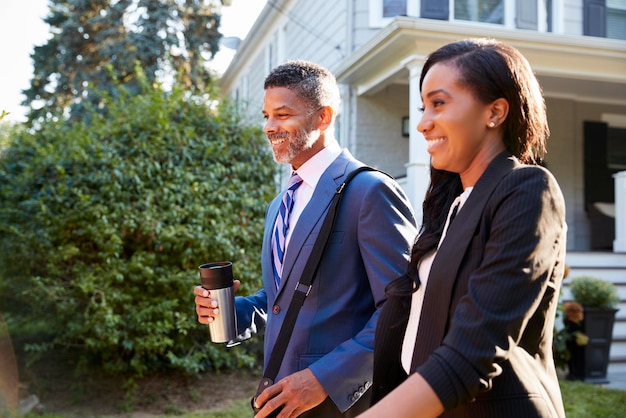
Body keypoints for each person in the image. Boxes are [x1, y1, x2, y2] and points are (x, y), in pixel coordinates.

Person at [194, 60, 417, 417]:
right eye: (266, 116)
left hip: (341, 405)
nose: (269, 127)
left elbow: (401, 310)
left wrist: (323, 380)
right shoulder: (280, 204)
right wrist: (230, 311)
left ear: (323, 117)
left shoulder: (370, 191)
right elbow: (281, 300)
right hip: (280, 399)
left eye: (282, 115)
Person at [359, 38, 567, 418]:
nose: (422, 123)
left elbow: (474, 350)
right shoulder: (451, 205)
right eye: (423, 107)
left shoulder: (528, 190)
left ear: (495, 112)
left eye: (438, 103)